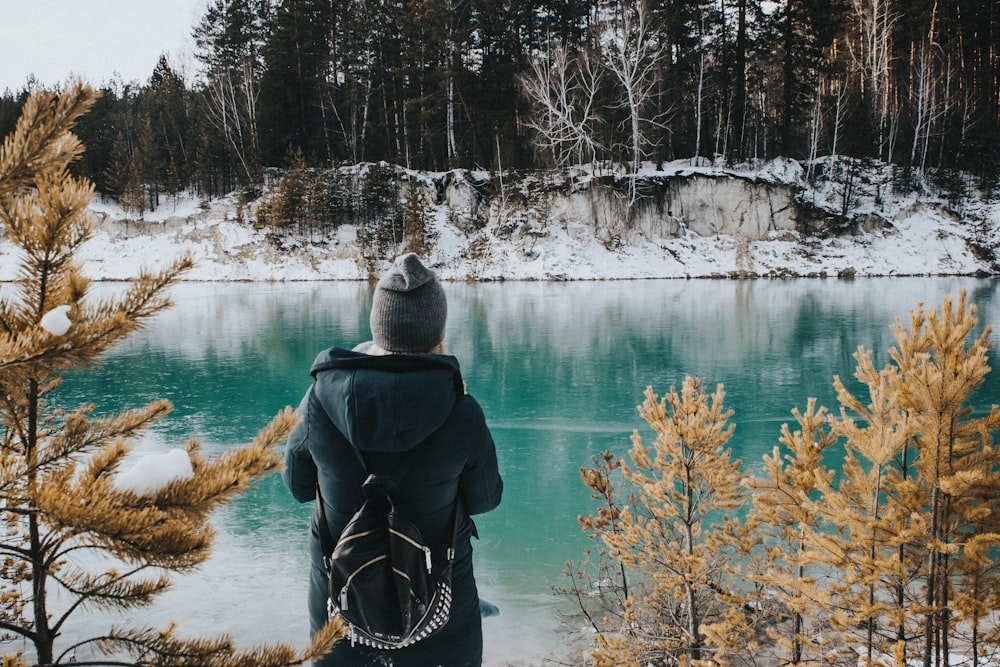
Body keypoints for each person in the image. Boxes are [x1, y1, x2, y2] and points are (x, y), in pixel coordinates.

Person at [282, 253, 504, 667]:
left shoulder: (320, 400)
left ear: (378, 327)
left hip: (341, 608)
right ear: (437, 329)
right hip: (440, 610)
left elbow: (296, 487)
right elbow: (485, 499)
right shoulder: (460, 409)